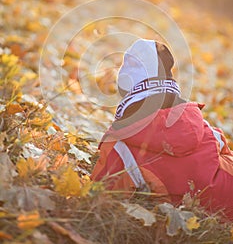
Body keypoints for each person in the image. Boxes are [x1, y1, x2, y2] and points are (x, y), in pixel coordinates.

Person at [91, 39, 233, 221]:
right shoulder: (202, 126)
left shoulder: (119, 147)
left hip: (199, 218)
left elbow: (101, 190)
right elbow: (224, 153)